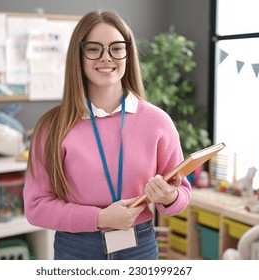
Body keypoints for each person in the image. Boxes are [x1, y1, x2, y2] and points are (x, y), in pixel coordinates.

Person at [23, 9, 191, 260]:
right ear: (78, 56)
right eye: (93, 49)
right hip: (77, 248)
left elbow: (182, 194)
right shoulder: (51, 127)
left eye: (116, 48)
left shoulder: (158, 122)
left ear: (128, 53)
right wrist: (100, 218)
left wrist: (170, 196)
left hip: (140, 246)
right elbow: (36, 208)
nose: (106, 58)